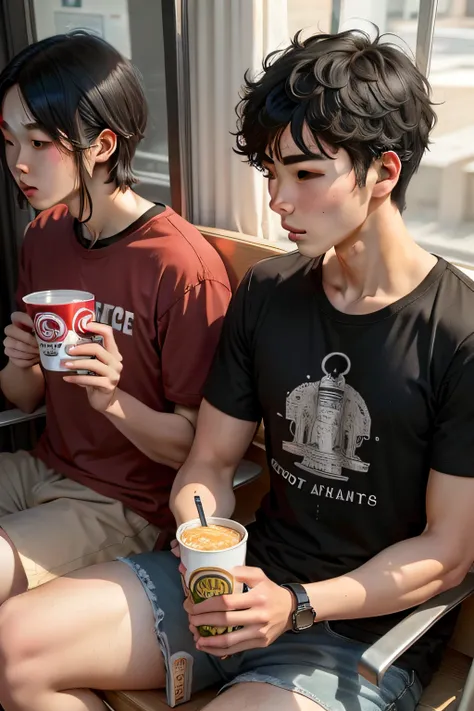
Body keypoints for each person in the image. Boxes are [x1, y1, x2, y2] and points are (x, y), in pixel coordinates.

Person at [0, 27, 474, 711]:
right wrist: (202, 540)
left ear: (385, 173)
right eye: (272, 173)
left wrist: (298, 603)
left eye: (306, 174)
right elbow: (210, 463)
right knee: (15, 643)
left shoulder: (456, 332)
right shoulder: (268, 292)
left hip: (349, 631)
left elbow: (449, 551)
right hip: (236, 581)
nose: (280, 199)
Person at [0, 32, 231, 602]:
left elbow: (196, 451)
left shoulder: (179, 265)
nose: (18, 163)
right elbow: (24, 399)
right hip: (41, 468)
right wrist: (22, 361)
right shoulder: (45, 235)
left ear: (101, 145)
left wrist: (111, 397)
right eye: (8, 141)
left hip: (125, 504)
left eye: (38, 142)